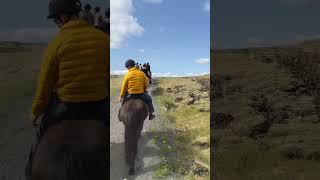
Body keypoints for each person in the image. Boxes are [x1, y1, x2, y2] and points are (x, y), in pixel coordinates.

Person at [31, 0, 109, 140]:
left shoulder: (56, 42)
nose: (57, 24)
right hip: (99, 105)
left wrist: (36, 112)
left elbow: (45, 82)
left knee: (41, 134)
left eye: (56, 20)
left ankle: (30, 161)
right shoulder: (104, 39)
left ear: (63, 17)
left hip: (67, 106)